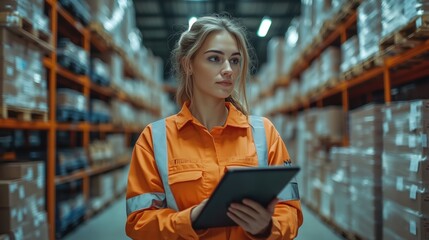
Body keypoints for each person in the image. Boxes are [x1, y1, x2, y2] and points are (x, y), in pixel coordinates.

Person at [125, 14, 303, 239]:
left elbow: (291, 211)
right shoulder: (154, 139)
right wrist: (190, 220)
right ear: (188, 64)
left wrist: (266, 228)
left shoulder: (264, 133)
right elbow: (138, 222)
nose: (228, 69)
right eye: (215, 59)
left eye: (235, 60)